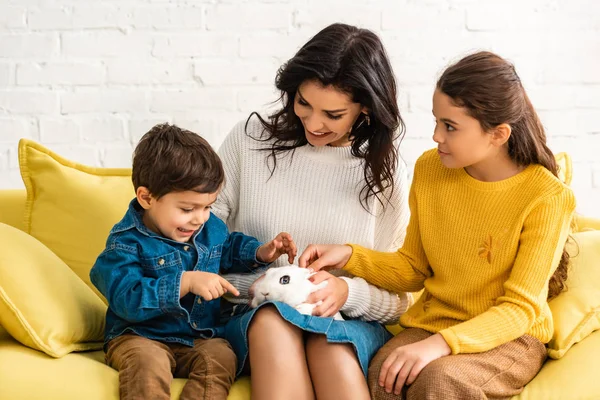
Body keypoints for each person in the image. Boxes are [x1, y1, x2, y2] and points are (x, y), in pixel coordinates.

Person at [299, 50, 576, 399]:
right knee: (387, 376)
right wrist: (348, 255)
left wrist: (440, 345)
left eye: (450, 127)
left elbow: (519, 310)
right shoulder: (431, 169)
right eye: (436, 121)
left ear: (498, 134)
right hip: (434, 323)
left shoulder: (546, 196)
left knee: (440, 380)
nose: (435, 136)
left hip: (510, 338)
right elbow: (413, 268)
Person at [212, 23, 412, 400]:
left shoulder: (384, 173)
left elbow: (401, 298)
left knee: (328, 341)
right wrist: (262, 287)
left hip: (345, 322)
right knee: (273, 320)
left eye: (333, 115)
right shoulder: (248, 140)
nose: (313, 123)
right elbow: (197, 247)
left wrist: (345, 293)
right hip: (255, 313)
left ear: (365, 107)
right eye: (303, 103)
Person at [89, 123, 297, 400]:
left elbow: (227, 248)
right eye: (187, 209)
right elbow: (126, 298)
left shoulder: (208, 228)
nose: (199, 218)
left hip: (198, 337)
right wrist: (184, 282)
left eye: (207, 207)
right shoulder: (124, 244)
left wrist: (261, 253)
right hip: (139, 336)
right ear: (147, 197)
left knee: (222, 357)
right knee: (147, 364)